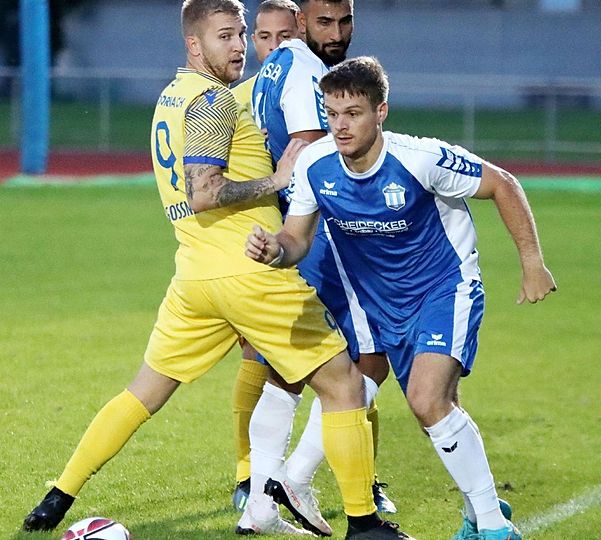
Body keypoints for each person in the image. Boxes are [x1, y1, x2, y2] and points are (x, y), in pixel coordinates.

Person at [21, 3, 413, 539]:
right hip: (247, 269)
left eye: (240, 34)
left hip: (193, 277)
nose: (236, 46)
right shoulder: (213, 100)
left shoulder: (169, 99)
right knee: (345, 385)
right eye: (224, 36)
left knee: (143, 393)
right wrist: (277, 181)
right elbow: (204, 193)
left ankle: (56, 498)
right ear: (193, 45)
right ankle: (365, 526)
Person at [246, 56, 558, 540]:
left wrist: (532, 262)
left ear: (381, 111)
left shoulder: (420, 158)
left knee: (426, 399)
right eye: (331, 114)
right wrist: (274, 251)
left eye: (353, 113)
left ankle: (495, 528)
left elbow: (502, 184)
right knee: (440, 405)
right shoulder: (315, 163)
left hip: (444, 288)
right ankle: (481, 510)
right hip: (378, 308)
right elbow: (297, 239)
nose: (340, 126)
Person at [237, 0, 398, 536]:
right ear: (301, 23)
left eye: (345, 20)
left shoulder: (273, 68)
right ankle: (298, 477)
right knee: (374, 354)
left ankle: (260, 501)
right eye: (324, 22)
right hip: (323, 236)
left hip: (292, 235)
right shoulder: (306, 69)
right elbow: (308, 146)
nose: (337, 32)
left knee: (287, 370)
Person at [226, 0, 303, 515]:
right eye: (262, 36)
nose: (271, 46)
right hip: (264, 241)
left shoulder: (317, 87)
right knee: (257, 353)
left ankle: (369, 477)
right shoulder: (236, 99)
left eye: (282, 36)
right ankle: (247, 473)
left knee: (358, 360)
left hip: (322, 235)